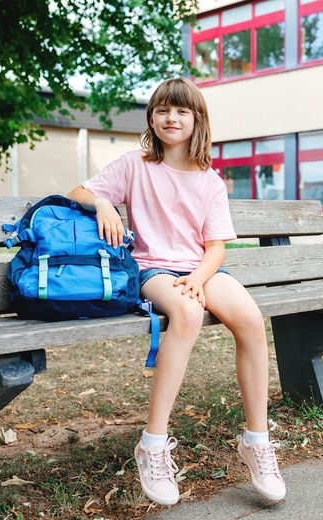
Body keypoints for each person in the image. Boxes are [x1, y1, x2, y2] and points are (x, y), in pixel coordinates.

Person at [66, 77, 285, 506]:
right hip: (152, 269)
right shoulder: (134, 164)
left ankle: (257, 442)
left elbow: (216, 246)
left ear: (197, 120)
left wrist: (199, 279)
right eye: (163, 109)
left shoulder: (209, 180)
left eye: (182, 111)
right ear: (152, 117)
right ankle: (152, 444)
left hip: (197, 268)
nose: (172, 117)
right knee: (185, 315)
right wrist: (105, 203)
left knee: (250, 319)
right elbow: (79, 191)